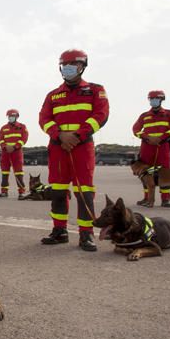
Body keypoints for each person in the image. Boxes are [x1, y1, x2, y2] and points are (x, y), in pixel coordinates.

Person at [38, 49, 109, 251]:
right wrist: (59, 135)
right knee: (58, 191)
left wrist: (77, 136)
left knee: (84, 191)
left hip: (82, 146)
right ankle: (59, 231)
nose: (68, 69)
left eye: (73, 65)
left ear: (82, 66)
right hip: (58, 146)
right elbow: (44, 119)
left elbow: (101, 115)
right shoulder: (53, 95)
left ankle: (86, 234)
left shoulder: (95, 90)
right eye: (64, 65)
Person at [132, 90, 170, 207]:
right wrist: (146, 137)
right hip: (147, 147)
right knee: (145, 173)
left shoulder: (169, 114)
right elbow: (135, 129)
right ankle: (147, 198)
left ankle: (165, 199)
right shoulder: (144, 116)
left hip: (162, 147)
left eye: (156, 99)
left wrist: (162, 138)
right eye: (151, 99)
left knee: (165, 172)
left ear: (161, 100)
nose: (153, 101)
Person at [0, 109, 29, 199]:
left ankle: (21, 192)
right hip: (5, 152)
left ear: (17, 117)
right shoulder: (3, 128)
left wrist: (15, 147)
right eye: (9, 116)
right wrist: (4, 146)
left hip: (16, 152)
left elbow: (24, 139)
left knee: (19, 172)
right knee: (4, 172)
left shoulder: (22, 127)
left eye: (13, 116)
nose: (11, 118)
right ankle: (4, 192)